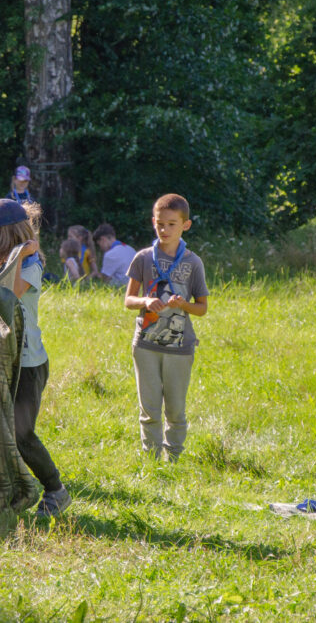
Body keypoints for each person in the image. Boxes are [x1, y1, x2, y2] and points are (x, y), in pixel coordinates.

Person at [0, 198, 71, 517]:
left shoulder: (30, 266)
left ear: (6, 237)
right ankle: (6, 493)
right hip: (0, 362)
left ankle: (55, 491)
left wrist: (20, 256)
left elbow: (6, 297)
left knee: (20, 433)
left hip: (27, 365)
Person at [123, 193, 209, 462]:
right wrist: (146, 301)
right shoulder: (143, 258)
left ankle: (173, 460)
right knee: (149, 408)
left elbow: (202, 308)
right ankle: (151, 461)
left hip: (179, 348)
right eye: (160, 224)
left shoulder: (193, 263)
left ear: (186, 225)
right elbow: (128, 300)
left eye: (172, 224)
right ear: (153, 222)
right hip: (145, 344)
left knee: (175, 410)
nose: (164, 230)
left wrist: (183, 304)